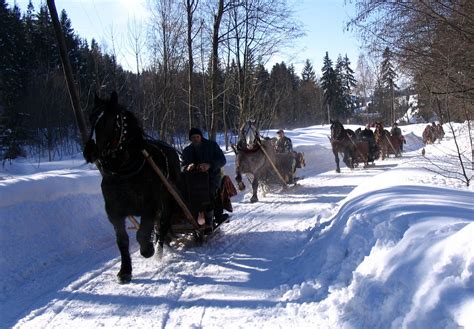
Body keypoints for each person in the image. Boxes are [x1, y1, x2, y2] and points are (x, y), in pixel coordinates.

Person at [181, 128, 227, 227]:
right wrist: (187, 167)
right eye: (193, 137)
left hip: (212, 177)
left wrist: (209, 165)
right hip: (193, 180)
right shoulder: (187, 150)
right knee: (185, 195)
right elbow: (182, 165)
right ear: (190, 139)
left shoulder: (212, 145)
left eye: (197, 137)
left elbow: (222, 160)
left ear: (201, 137)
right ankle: (190, 218)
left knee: (208, 193)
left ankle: (211, 219)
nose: (195, 139)